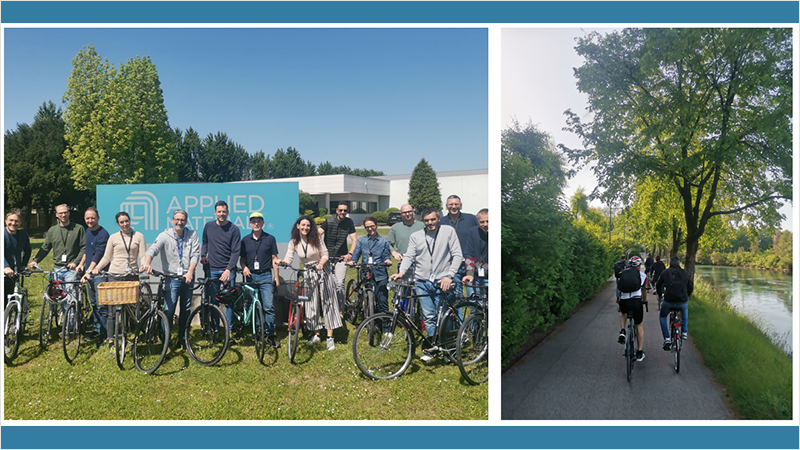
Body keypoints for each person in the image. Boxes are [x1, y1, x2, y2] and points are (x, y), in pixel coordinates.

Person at [390, 207, 462, 362]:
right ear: (423, 221)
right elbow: (409, 256)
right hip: (422, 281)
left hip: (442, 281)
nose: (430, 223)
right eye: (427, 220)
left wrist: (450, 276)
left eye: (433, 219)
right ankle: (433, 347)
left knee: (444, 317)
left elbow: (457, 255)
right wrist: (401, 272)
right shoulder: (416, 236)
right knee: (428, 316)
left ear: (438, 219)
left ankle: (448, 349)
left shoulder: (448, 231)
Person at [276, 216, 342, 351]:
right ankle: (316, 334)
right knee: (311, 303)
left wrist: (321, 264)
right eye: (303, 225)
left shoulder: (317, 238)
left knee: (328, 301)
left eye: (308, 225)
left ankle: (330, 337)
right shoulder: (294, 241)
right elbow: (289, 257)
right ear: (298, 226)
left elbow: (325, 254)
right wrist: (284, 262)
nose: (305, 228)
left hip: (323, 269)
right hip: (308, 271)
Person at [139, 209, 200, 349]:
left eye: (182, 220)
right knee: (169, 310)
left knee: (185, 309)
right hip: (171, 278)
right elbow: (152, 250)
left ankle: (182, 338)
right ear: (172, 220)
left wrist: (190, 272)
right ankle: (166, 340)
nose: (179, 222)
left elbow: (195, 255)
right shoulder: (164, 235)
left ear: (186, 221)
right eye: (177, 219)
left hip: (187, 277)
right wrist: (147, 263)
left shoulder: (192, 235)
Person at [92, 211, 146, 355]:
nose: (125, 224)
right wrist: (97, 267)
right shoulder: (113, 237)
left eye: (127, 221)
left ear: (130, 221)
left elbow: (143, 255)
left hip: (131, 275)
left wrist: (143, 265)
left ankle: (130, 336)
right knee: (112, 311)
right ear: (118, 224)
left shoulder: (138, 236)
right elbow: (106, 257)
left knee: (131, 308)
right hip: (115, 275)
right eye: (121, 222)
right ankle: (111, 341)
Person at [239, 212, 280, 348]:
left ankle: (271, 334)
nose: (256, 224)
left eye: (258, 221)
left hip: (265, 275)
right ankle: (257, 331)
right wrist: (244, 267)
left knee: (268, 306)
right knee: (254, 306)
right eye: (253, 221)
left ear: (263, 223)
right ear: (250, 224)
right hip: (251, 276)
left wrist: (277, 277)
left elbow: (274, 259)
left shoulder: (270, 238)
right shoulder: (245, 240)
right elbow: (242, 259)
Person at [29, 204, 85, 305]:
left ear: (69, 213)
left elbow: (83, 248)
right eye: (61, 213)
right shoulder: (52, 230)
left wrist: (75, 262)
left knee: (70, 297)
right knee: (58, 298)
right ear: (56, 215)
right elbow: (45, 247)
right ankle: (65, 318)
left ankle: (72, 319)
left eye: (65, 212)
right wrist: (36, 260)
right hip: (57, 269)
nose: (63, 215)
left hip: (71, 269)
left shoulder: (78, 228)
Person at [201, 201, 241, 340]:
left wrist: (228, 269)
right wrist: (203, 256)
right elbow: (205, 243)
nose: (221, 214)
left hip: (228, 271)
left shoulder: (234, 229)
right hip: (211, 270)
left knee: (229, 302)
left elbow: (236, 251)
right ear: (215, 213)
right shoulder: (208, 226)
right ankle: (216, 329)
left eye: (224, 211)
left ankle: (228, 332)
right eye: (219, 211)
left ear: (228, 212)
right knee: (214, 301)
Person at [349, 216, 393, 319]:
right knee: (368, 298)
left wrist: (387, 261)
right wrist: (353, 261)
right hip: (366, 272)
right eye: (367, 227)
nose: (370, 229)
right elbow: (356, 254)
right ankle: (369, 320)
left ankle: (385, 325)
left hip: (380, 273)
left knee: (382, 300)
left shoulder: (383, 241)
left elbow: (386, 256)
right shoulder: (361, 241)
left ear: (376, 226)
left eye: (372, 226)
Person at [78, 207, 110, 344]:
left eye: (92, 218)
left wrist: (88, 272)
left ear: (98, 218)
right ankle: (97, 330)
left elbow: (98, 254)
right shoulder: (88, 231)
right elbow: (87, 251)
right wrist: (81, 264)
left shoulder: (103, 234)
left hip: (99, 274)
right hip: (89, 274)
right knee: (94, 305)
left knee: (102, 306)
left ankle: (105, 334)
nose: (90, 220)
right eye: (87, 218)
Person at [439, 195, 479, 298]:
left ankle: (475, 314)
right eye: (451, 204)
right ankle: (459, 314)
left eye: (456, 204)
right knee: (456, 296)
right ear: (446, 206)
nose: (454, 206)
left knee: (473, 295)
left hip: (469, 262)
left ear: (460, 205)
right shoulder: (441, 222)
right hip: (451, 264)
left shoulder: (471, 219)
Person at [319, 201, 357, 302]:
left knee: (340, 283)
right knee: (326, 283)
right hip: (327, 256)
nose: (342, 212)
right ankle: (326, 307)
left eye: (345, 210)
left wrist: (350, 254)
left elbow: (354, 239)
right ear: (337, 211)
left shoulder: (349, 222)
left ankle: (340, 310)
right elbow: (318, 233)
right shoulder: (329, 221)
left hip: (341, 256)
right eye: (340, 210)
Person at [657, 256, 694, 349]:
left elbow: (659, 285)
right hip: (682, 301)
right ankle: (684, 331)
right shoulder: (685, 273)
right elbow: (690, 287)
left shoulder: (665, 272)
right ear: (679, 264)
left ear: (669, 263)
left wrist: (660, 294)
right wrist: (686, 296)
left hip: (668, 301)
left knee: (662, 316)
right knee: (684, 307)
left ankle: (667, 339)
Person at [617, 255, 648, 362]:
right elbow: (644, 290)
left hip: (625, 301)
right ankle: (639, 352)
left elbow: (619, 288)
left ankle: (622, 330)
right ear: (639, 266)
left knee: (622, 311)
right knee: (639, 325)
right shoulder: (643, 275)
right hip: (636, 302)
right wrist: (644, 300)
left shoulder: (623, 273)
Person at [4, 209, 31, 307]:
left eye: (16, 221)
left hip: (15, 272)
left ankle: (11, 320)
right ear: (5, 220)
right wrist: (5, 266)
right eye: (11, 220)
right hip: (4, 271)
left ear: (20, 222)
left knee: (11, 299)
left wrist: (23, 265)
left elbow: (27, 250)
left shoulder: (23, 235)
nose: (13, 223)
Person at [387, 203, 424, 269]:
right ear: (401, 214)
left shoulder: (422, 226)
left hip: (420, 262)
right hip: (403, 262)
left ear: (413, 211)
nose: (407, 214)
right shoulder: (396, 228)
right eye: (404, 212)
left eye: (409, 211)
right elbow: (388, 243)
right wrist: (393, 252)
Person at [462, 208, 488, 292]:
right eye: (482, 222)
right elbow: (468, 253)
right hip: (476, 273)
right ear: (478, 221)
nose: (485, 224)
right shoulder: (473, 231)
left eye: (488, 221)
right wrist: (470, 273)